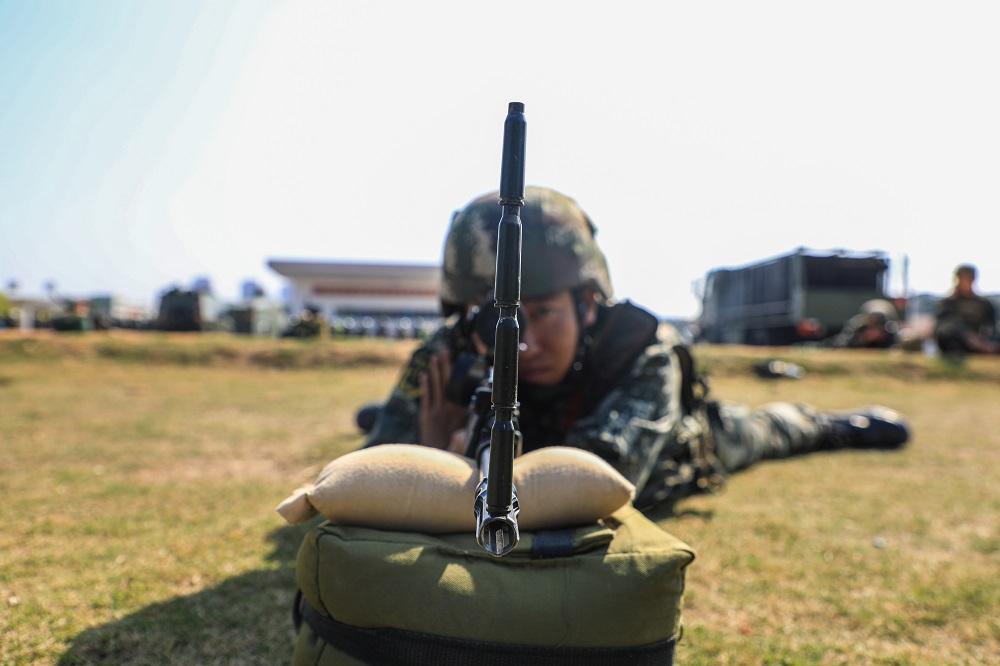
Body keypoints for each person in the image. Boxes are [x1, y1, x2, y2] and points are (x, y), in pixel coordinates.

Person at [365, 187, 909, 508]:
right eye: (497, 318)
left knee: (767, 430)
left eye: (543, 312)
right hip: (537, 436)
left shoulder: (643, 350)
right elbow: (368, 477)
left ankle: (831, 424)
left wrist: (440, 465)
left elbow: (590, 483)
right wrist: (425, 443)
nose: (522, 341)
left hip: (683, 445)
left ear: (588, 303)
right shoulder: (450, 354)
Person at [934, 265, 998, 355]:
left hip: (981, 341)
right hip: (956, 342)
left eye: (968, 278)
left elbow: (991, 326)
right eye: (962, 278)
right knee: (948, 334)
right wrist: (968, 337)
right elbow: (943, 327)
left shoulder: (984, 303)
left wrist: (984, 340)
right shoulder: (948, 303)